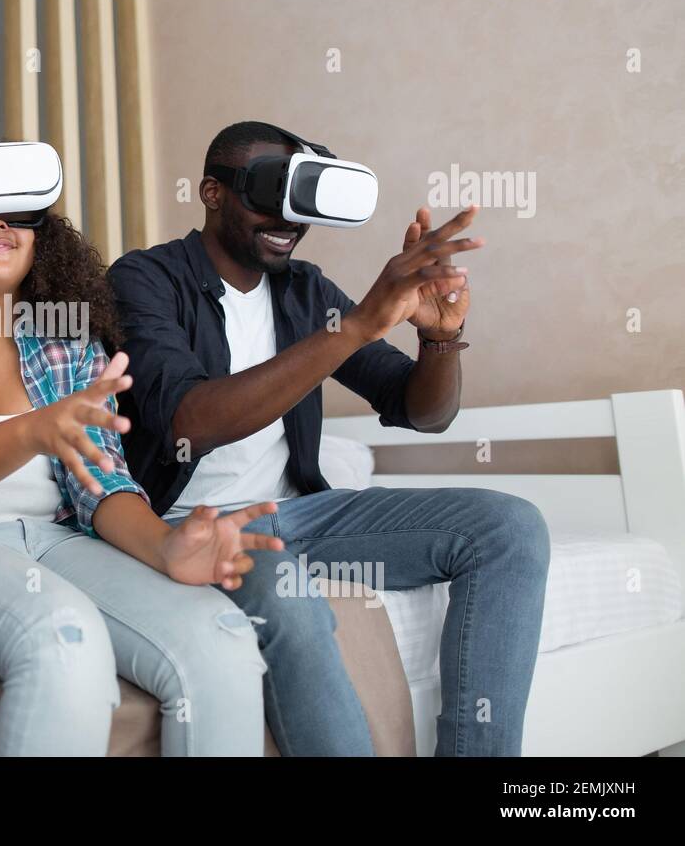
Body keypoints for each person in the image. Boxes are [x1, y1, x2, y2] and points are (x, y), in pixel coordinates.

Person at [108, 120, 551, 756]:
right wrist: (359, 326)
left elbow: (420, 411)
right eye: (268, 194)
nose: (286, 218)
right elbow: (190, 421)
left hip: (303, 516)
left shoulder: (306, 291)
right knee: (287, 593)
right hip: (193, 527)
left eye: (301, 199)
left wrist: (440, 336)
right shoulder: (144, 280)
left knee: (509, 527)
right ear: (211, 192)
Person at [0, 177, 283, 756]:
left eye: (16, 214)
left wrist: (167, 547)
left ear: (41, 237)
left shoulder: (68, 340)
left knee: (222, 637)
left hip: (61, 539)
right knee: (66, 638)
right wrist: (32, 430)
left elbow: (105, 482)